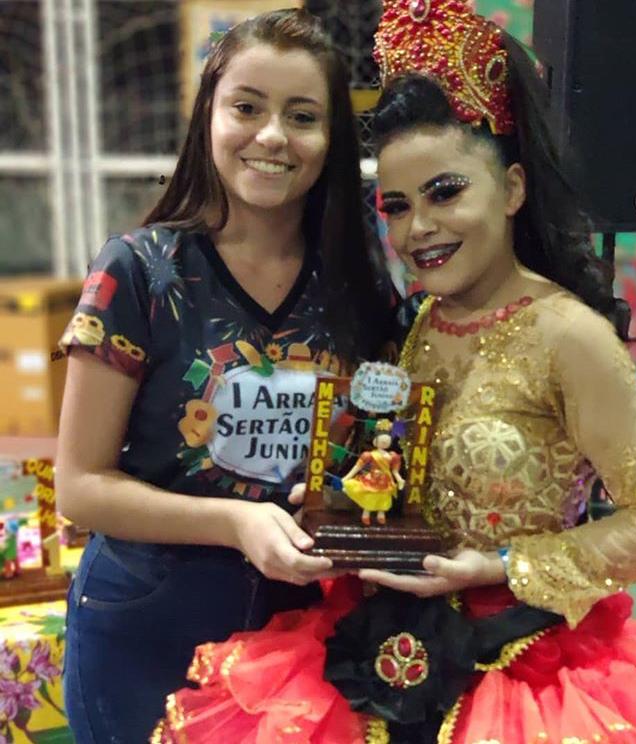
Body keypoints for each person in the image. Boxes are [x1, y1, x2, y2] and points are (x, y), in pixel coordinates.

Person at [152, 2, 636, 742]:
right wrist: (342, 503)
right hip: (389, 651)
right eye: (396, 206)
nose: (418, 228)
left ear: (514, 189)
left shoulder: (570, 336)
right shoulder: (419, 323)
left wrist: (498, 566)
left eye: (446, 193)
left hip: (526, 671)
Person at [55, 9, 393, 743]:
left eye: (302, 116)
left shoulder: (361, 288)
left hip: (306, 637)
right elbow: (80, 487)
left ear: (332, 138)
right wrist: (235, 523)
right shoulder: (138, 271)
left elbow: (380, 456)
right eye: (247, 107)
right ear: (208, 113)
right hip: (147, 627)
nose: (271, 136)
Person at [341, 418, 405, 525]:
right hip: (372, 479)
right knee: (370, 496)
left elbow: (394, 471)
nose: (384, 442)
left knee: (383, 498)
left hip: (386, 481)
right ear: (375, 441)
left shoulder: (392, 456)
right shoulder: (370, 455)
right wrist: (347, 477)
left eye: (387, 440)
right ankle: (366, 514)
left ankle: (381, 515)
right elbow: (357, 467)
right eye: (382, 440)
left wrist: (399, 479)